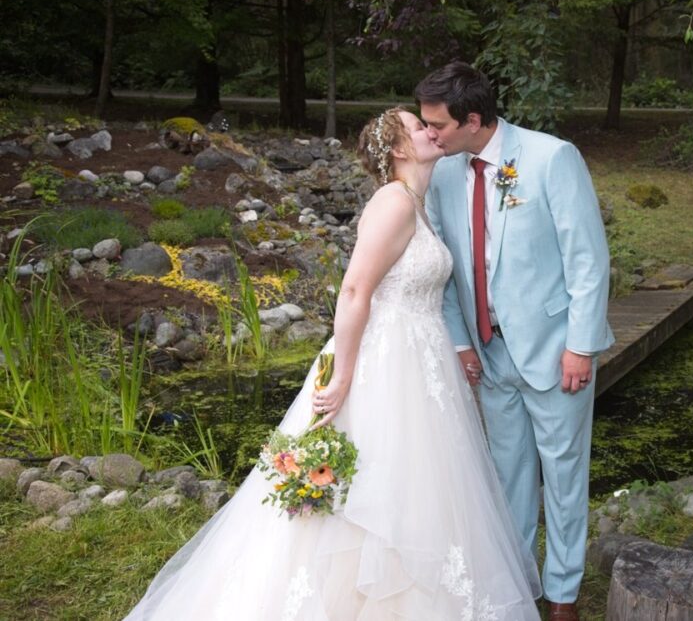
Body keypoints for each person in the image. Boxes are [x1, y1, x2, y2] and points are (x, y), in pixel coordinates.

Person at [123, 108, 542, 620]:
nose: (432, 131)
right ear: (398, 149)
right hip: (386, 362)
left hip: (422, 361)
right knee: (371, 482)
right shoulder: (393, 203)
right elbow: (353, 290)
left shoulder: (418, 202)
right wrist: (343, 376)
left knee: (422, 482)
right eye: (419, 127)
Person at [418, 63, 614, 621]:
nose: (429, 134)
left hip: (555, 352)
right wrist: (462, 343)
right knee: (508, 478)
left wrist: (581, 346)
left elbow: (588, 260)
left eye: (437, 124)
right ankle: (518, 584)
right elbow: (445, 268)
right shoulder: (444, 174)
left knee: (564, 478)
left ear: (471, 120)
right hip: (489, 352)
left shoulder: (552, 158)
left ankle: (563, 595)